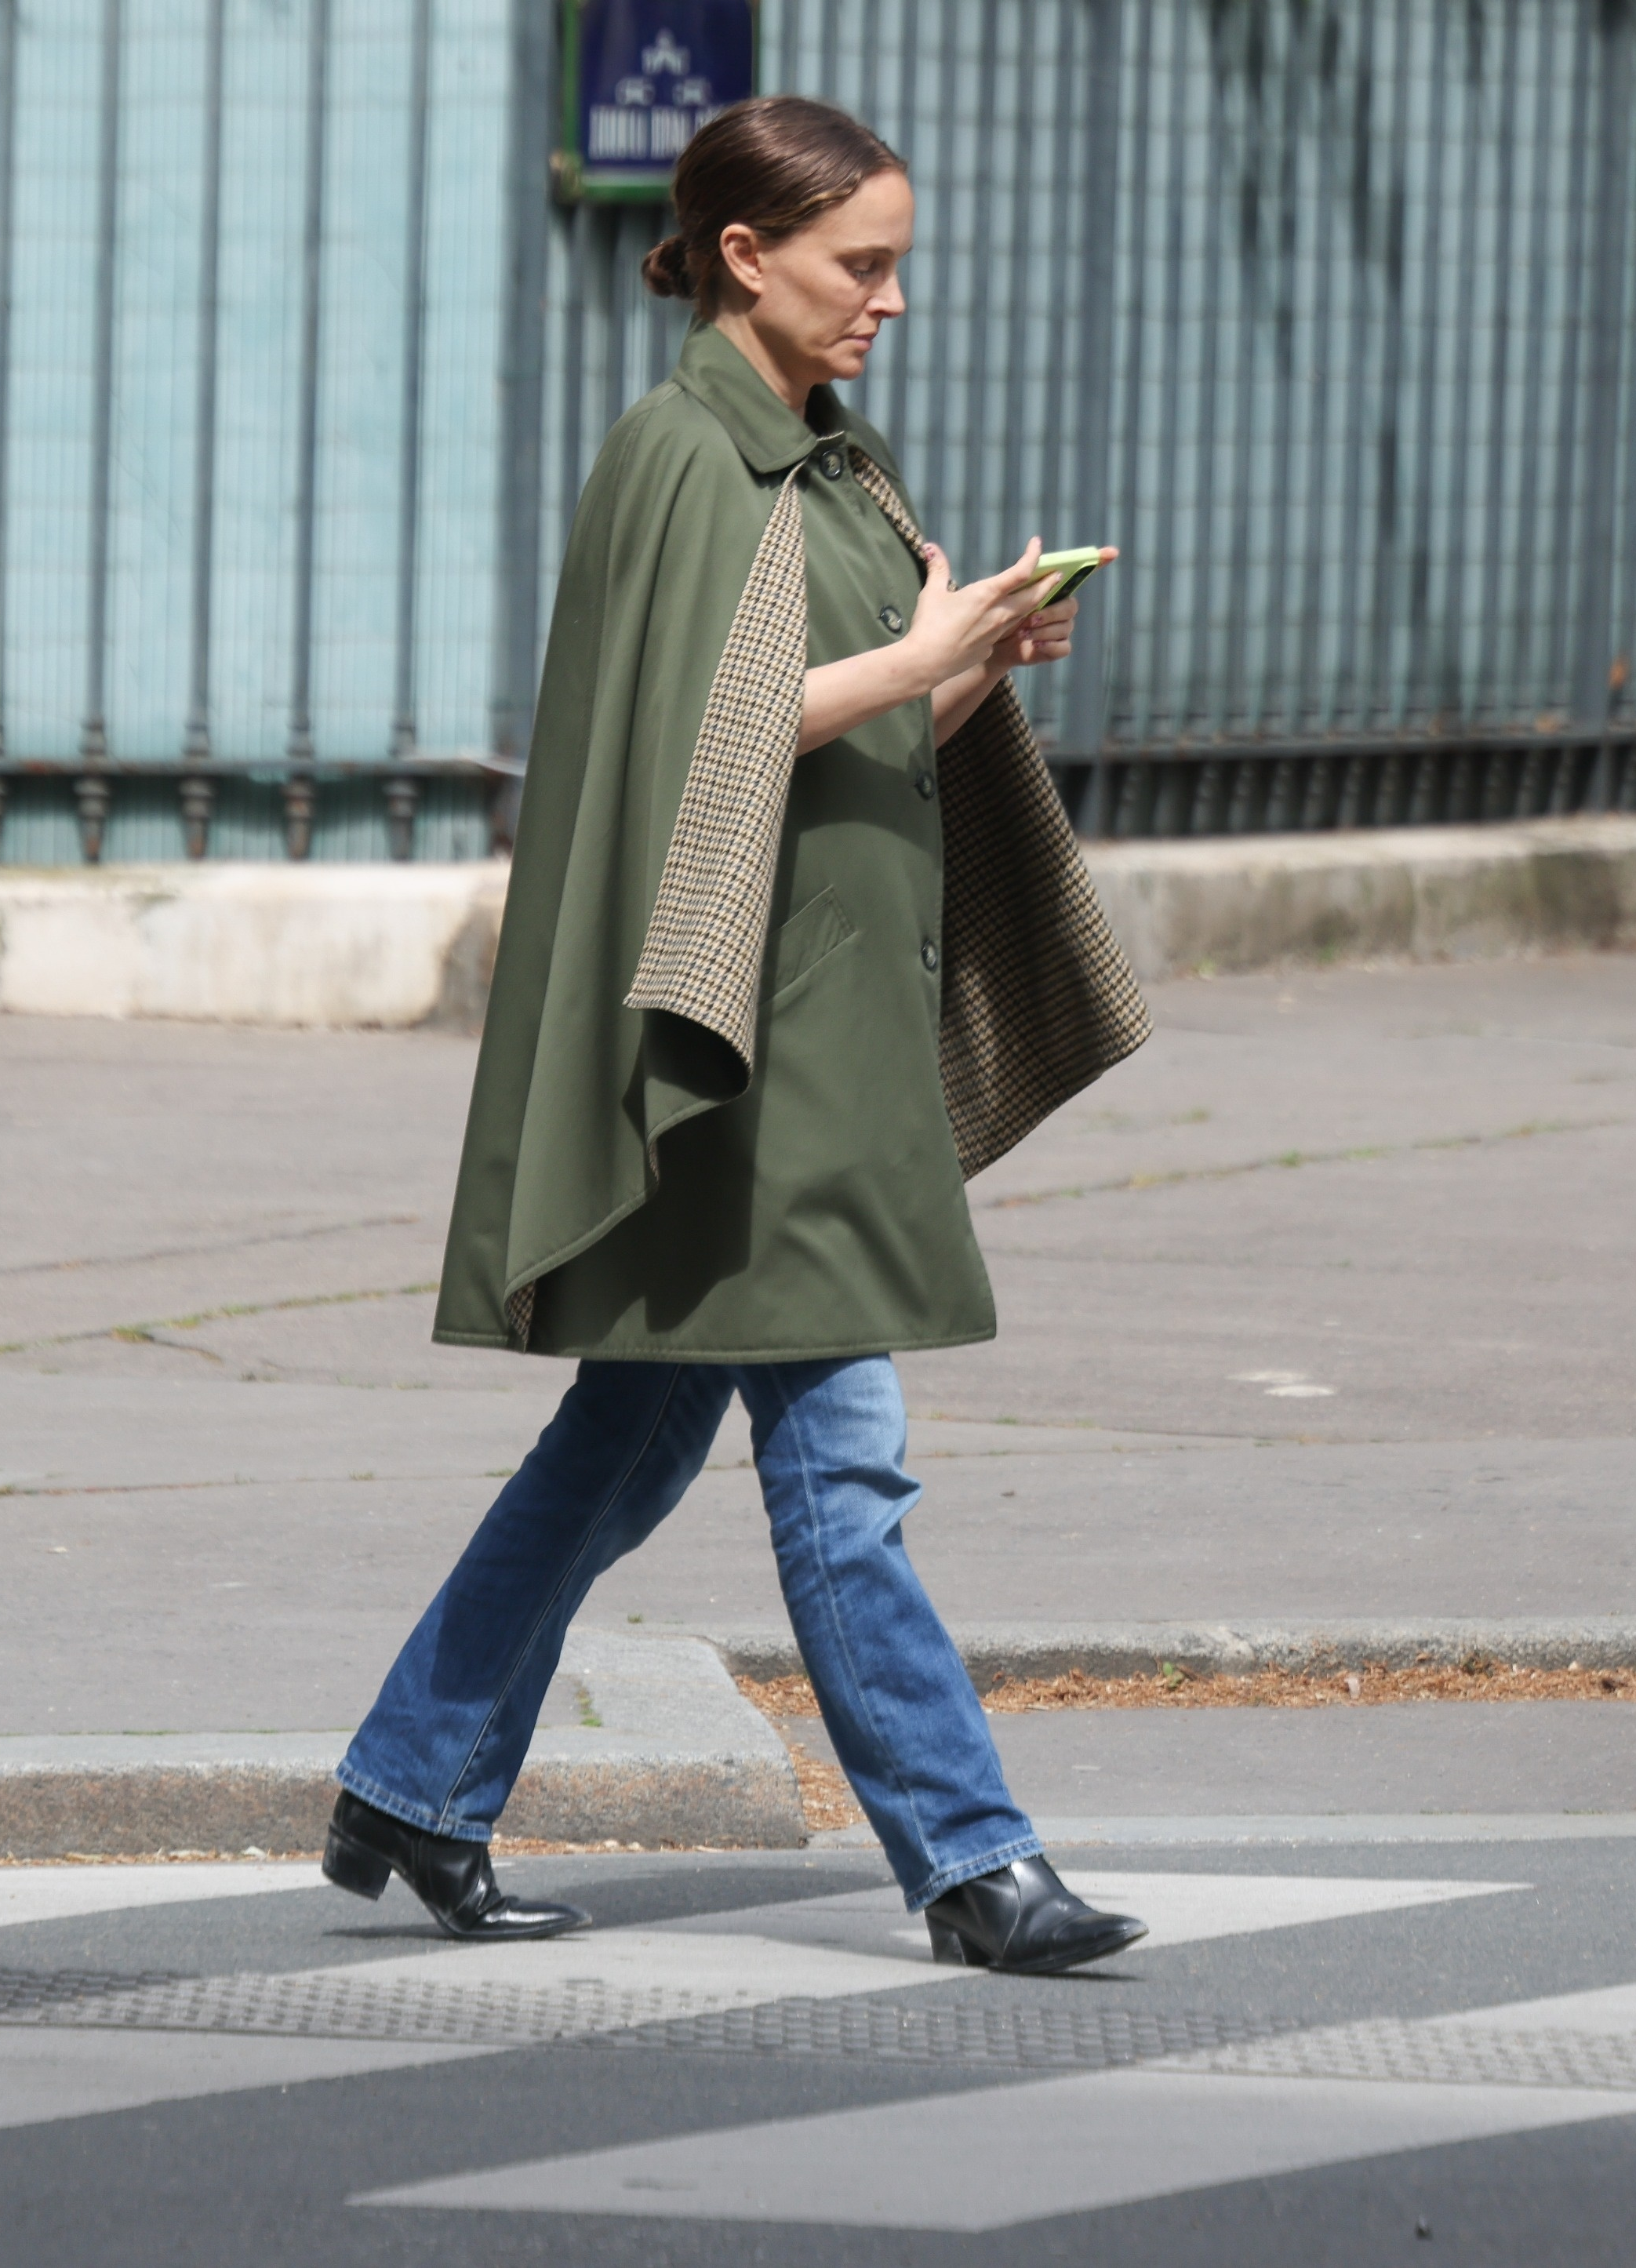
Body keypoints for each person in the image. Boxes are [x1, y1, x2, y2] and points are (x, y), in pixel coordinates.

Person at [322, 96, 1153, 1973]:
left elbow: (816, 737)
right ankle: (972, 1863)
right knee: (843, 1471)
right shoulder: (682, 458)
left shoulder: (829, 462)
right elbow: (703, 732)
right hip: (742, 1051)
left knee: (619, 1448)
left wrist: (961, 668)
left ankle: (411, 1775)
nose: (889, 299)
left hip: (822, 1034)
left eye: (896, 264)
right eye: (861, 264)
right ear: (745, 255)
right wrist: (913, 661)